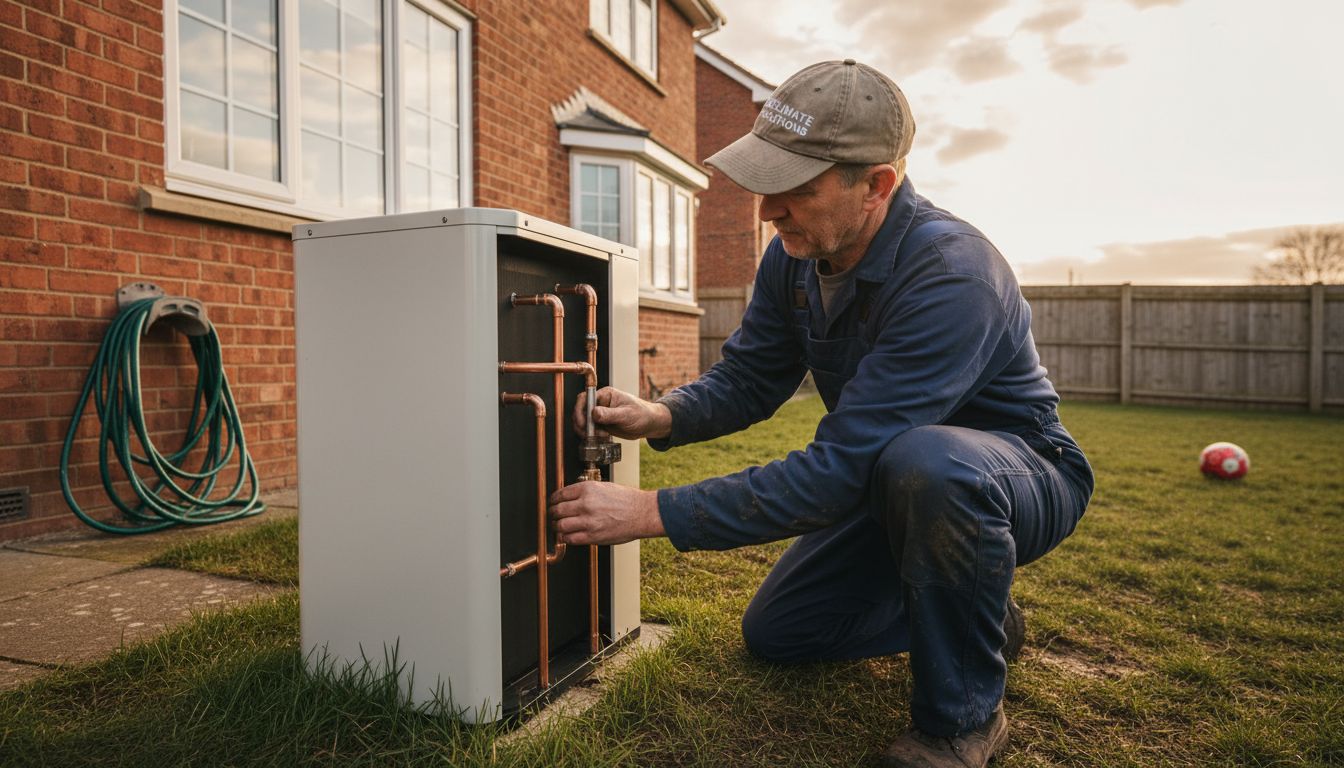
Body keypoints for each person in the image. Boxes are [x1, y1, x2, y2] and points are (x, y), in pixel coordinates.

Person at [548, 59, 1094, 768]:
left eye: (795, 191)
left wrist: (651, 511)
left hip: (1013, 474)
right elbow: (751, 377)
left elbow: (841, 470)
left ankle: (960, 724)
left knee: (929, 461)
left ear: (877, 186)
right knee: (780, 632)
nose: (768, 211)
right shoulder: (794, 258)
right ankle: (971, 617)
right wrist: (660, 415)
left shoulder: (954, 272)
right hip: (891, 475)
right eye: (763, 187)